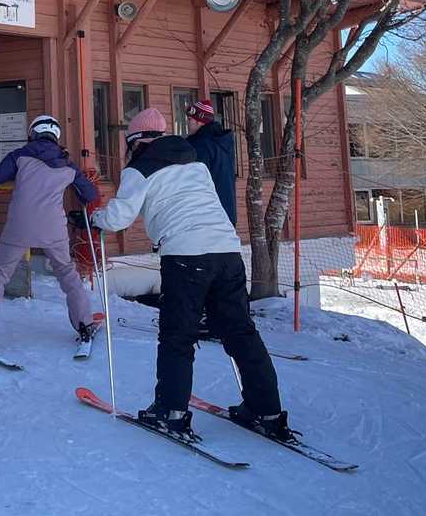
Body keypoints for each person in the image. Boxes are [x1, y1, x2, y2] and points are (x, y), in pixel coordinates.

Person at [90, 108, 293, 441]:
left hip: (185, 256)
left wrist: (95, 218)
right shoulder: (194, 162)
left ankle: (170, 412)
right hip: (227, 251)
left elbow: (119, 218)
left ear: (135, 141)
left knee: (178, 335)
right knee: (241, 332)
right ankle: (266, 410)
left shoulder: (139, 168)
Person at [0, 114, 98, 351]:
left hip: (20, 226)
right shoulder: (67, 164)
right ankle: (85, 324)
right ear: (56, 136)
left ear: (33, 133)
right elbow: (90, 194)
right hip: (53, 228)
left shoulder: (20, 156)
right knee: (67, 273)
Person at [185, 100, 237, 226]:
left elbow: (194, 183)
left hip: (208, 218)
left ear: (199, 121)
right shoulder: (222, 142)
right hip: (227, 214)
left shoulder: (200, 146)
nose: (187, 122)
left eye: (190, 119)